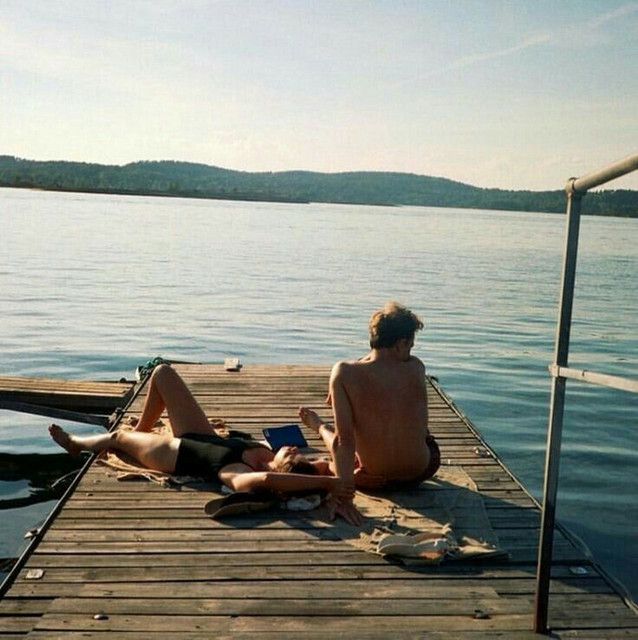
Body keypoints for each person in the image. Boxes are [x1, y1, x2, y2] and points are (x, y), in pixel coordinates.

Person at [49, 364, 349, 500]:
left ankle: (78, 444)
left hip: (175, 454)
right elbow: (333, 463)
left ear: (284, 466)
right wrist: (337, 473)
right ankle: (142, 431)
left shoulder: (239, 473)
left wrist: (329, 487)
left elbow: (270, 479)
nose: (295, 449)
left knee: (118, 438)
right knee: (163, 373)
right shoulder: (269, 454)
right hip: (201, 435)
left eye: (292, 454)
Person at [299, 301, 440, 526]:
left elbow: (343, 443)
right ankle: (322, 428)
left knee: (340, 441)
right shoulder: (416, 367)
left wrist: (345, 498)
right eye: (410, 346)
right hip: (421, 470)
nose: (410, 353)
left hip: (372, 478)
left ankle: (319, 427)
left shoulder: (344, 372)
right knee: (421, 433)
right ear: (401, 343)